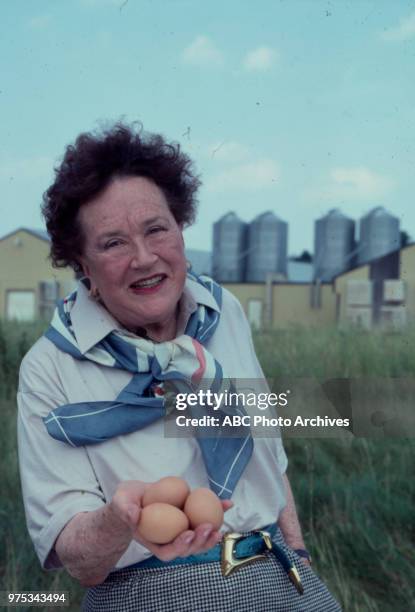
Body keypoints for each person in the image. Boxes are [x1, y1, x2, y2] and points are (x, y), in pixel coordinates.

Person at [17, 122, 341, 611]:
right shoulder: (49, 366)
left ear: (181, 228)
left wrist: (299, 552)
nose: (145, 259)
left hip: (278, 571)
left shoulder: (221, 310)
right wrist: (119, 519)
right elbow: (76, 554)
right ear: (82, 265)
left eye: (156, 229)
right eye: (113, 243)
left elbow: (268, 452)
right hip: (150, 594)